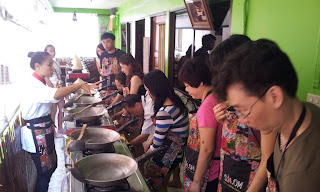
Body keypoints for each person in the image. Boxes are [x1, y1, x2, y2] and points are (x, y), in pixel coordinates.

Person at [213, 39, 320, 192]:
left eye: (243, 109)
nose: (242, 119)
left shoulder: (300, 178)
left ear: (275, 97)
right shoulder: (305, 113)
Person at [20, 52, 98, 192]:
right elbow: (55, 95)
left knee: (49, 169)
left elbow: (54, 96)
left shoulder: (40, 82)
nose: (52, 68)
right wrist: (77, 85)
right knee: (45, 173)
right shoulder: (34, 85)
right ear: (37, 66)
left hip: (43, 131)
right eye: (49, 65)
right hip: (37, 134)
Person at [211, 35, 276, 192]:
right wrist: (224, 122)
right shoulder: (237, 103)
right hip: (229, 180)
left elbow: (268, 161)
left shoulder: (265, 107)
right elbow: (238, 142)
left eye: (225, 73)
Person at [179, 58, 222, 192]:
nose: (186, 90)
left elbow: (207, 148)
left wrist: (196, 182)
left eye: (187, 85)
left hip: (211, 171)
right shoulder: (216, 97)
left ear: (200, 83)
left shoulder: (207, 106)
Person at [143, 70, 189, 191]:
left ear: (155, 89)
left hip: (170, 155)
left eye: (148, 90)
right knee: (161, 183)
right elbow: (162, 130)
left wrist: (143, 157)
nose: (148, 93)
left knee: (149, 177)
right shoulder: (175, 100)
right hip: (178, 152)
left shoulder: (164, 111)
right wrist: (151, 139)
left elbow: (157, 144)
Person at [43, 45, 64, 138]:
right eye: (50, 51)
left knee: (62, 109)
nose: (52, 53)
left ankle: (60, 128)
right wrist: (52, 89)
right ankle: (52, 129)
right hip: (52, 90)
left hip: (58, 88)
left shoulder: (56, 63)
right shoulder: (46, 64)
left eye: (53, 51)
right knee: (53, 110)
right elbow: (46, 78)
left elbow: (59, 77)